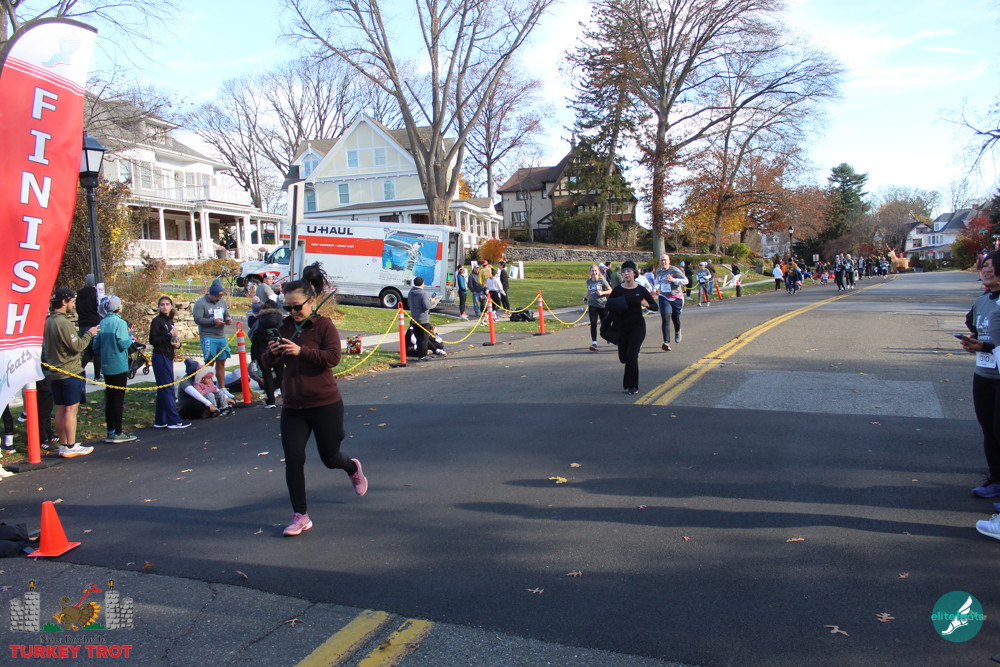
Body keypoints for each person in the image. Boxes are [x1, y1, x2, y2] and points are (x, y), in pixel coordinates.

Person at [261, 262, 368, 537]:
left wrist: (301, 351)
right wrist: (272, 353)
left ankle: (352, 467)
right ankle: (300, 515)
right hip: (294, 406)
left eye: (297, 307)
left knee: (330, 457)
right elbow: (265, 363)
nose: (293, 312)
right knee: (293, 459)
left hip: (324, 403)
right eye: (288, 307)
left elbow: (333, 358)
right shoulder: (285, 327)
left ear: (311, 301)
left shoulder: (323, 326)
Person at [961, 255, 1000, 533]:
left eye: (993, 266)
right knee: (989, 429)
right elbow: (974, 326)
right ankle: (995, 479)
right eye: (984, 266)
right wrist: (972, 342)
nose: (988, 269)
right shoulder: (982, 301)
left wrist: (985, 347)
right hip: (984, 374)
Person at [43, 287, 98, 458]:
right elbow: (77, 346)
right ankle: (71, 445)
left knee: (61, 409)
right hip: (70, 372)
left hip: (56, 372)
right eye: (72, 302)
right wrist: (89, 334)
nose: (73, 305)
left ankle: (64, 444)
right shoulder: (64, 323)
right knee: (71, 410)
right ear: (64, 301)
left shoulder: (49, 321)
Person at [92, 295, 138, 443]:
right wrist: (130, 336)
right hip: (119, 364)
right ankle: (118, 432)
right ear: (118, 308)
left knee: (110, 398)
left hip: (106, 365)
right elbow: (123, 344)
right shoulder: (120, 323)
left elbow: (95, 346)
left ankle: (110, 431)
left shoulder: (102, 322)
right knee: (118, 399)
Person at [606, 260, 657, 395]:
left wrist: (648, 305)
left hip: (637, 327)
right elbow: (609, 307)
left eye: (629, 271)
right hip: (621, 327)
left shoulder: (641, 290)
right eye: (624, 271)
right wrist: (606, 329)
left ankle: (632, 385)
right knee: (624, 358)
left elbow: (655, 306)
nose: (626, 273)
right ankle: (629, 381)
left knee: (632, 356)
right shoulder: (618, 290)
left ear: (634, 273)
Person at [149, 296, 190, 429]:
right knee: (167, 388)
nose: (164, 307)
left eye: (167, 304)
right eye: (162, 304)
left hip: (168, 355)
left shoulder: (169, 321)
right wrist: (168, 335)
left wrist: (177, 344)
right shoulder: (157, 321)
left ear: (171, 306)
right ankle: (173, 420)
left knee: (163, 389)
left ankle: (160, 420)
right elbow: (153, 340)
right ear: (158, 306)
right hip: (160, 356)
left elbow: (172, 339)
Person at [192, 279, 233, 397]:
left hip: (221, 336)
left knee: (222, 361)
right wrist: (213, 321)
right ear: (211, 294)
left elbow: (226, 313)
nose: (218, 299)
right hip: (208, 336)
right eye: (216, 297)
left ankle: (222, 387)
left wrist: (228, 319)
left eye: (220, 297)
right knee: (210, 362)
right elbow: (198, 319)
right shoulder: (201, 303)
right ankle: (208, 386)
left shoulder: (222, 302)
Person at [250, 301, 285, 408]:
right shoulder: (281, 319)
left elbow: (253, 335)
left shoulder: (259, 321)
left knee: (267, 375)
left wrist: (254, 354)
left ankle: (271, 401)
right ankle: (286, 399)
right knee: (281, 375)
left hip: (262, 350)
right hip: (278, 349)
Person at [655, 254, 688, 350]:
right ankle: (666, 342)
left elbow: (686, 281)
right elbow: (658, 281)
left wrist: (673, 280)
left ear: (669, 261)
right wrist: (654, 289)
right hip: (664, 296)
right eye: (661, 260)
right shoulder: (659, 271)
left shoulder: (674, 270)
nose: (663, 262)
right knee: (665, 318)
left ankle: (677, 331)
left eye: (665, 260)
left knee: (675, 318)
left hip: (676, 297)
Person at [408, 276, 440, 361]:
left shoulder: (411, 292)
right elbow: (426, 306)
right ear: (422, 283)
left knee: (418, 337)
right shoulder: (423, 293)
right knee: (424, 338)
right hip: (423, 319)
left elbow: (409, 304)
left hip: (414, 318)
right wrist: (431, 301)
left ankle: (420, 354)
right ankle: (422, 355)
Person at [77, 274, 102, 382]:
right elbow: (99, 309)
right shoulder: (95, 294)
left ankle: (79, 371)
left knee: (88, 350)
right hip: (94, 324)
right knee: (96, 350)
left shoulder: (79, 295)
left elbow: (78, 309)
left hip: (83, 324)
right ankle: (97, 376)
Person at [584, 264, 612, 351]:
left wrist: (602, 293)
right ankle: (594, 343)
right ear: (590, 272)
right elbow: (589, 291)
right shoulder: (589, 281)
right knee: (593, 323)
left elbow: (610, 290)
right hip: (592, 305)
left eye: (595, 270)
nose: (594, 272)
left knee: (604, 324)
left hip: (602, 305)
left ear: (598, 271)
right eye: (592, 271)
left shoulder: (602, 280)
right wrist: (585, 298)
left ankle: (608, 336)